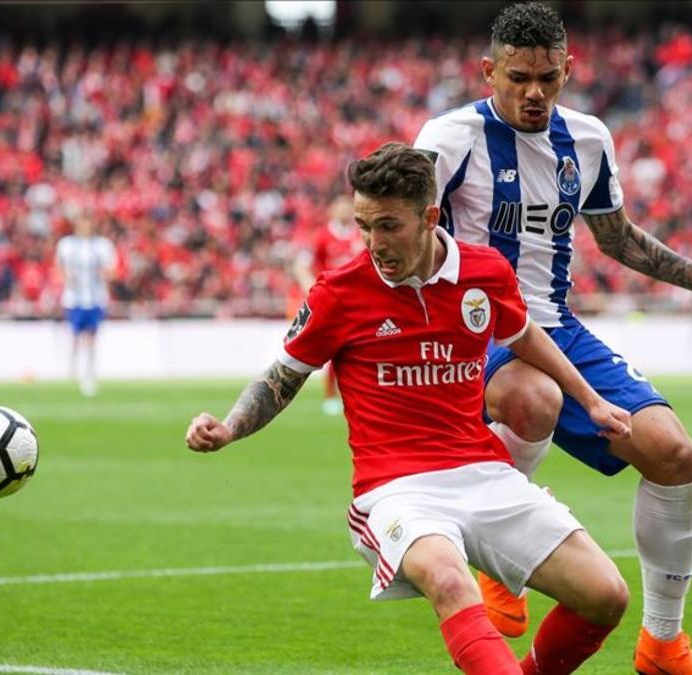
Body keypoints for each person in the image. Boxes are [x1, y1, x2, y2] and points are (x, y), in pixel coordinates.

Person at [413, 4, 692, 673]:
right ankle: (500, 569)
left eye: (547, 77)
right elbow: (406, 224)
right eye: (517, 77)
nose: (534, 91)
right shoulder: (449, 138)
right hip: (472, 328)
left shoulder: (589, 140)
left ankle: (662, 643)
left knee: (673, 452)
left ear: (569, 70)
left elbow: (618, 239)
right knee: (531, 396)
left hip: (558, 325)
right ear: (488, 72)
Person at [188, 143, 636, 674]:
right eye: (363, 226)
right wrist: (230, 428)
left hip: (484, 471)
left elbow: (525, 336)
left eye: (388, 226)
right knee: (451, 580)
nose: (374, 243)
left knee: (607, 595)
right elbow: (280, 379)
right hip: (394, 491)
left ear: (429, 218)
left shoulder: (485, 273)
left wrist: (592, 400)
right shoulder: (339, 293)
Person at [289, 195, 365, 415]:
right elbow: (301, 265)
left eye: (347, 208)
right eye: (340, 207)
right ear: (332, 210)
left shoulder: (360, 234)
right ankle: (330, 396)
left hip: (358, 299)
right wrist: (312, 289)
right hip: (332, 299)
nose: (344, 211)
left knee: (355, 349)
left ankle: (355, 394)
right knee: (334, 348)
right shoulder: (322, 236)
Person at [54, 208, 117, 396]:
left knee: (91, 337)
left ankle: (89, 373)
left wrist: (104, 274)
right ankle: (71, 371)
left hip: (96, 297)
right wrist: (67, 277)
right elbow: (59, 266)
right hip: (74, 298)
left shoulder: (102, 245)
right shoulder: (66, 244)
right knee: (74, 335)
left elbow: (111, 269)